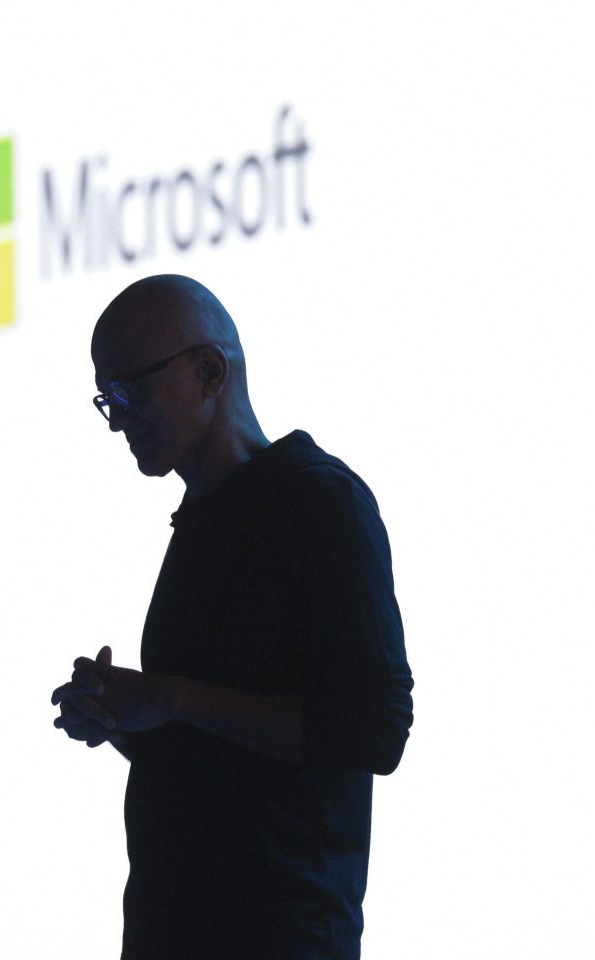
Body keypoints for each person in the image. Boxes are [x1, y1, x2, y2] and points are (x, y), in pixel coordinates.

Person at [50, 274, 413, 960]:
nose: (118, 420)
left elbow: (374, 730)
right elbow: (220, 768)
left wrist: (169, 697)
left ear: (210, 371)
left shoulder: (320, 503)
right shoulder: (202, 520)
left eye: (129, 391)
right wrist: (124, 719)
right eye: (107, 400)